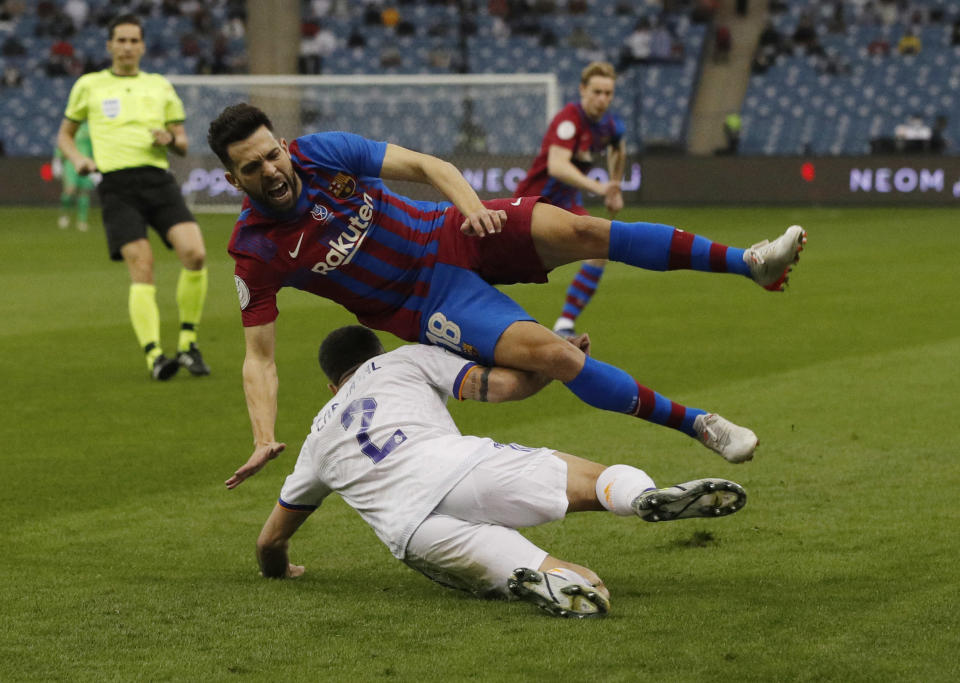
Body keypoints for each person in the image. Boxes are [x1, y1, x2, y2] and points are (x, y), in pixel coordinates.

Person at [207, 103, 807, 487]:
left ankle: (749, 263)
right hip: (426, 303)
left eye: (271, 154)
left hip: (452, 231)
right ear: (234, 180)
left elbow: (426, 166)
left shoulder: (323, 152)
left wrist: (470, 209)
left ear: (283, 145)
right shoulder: (253, 248)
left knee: (583, 231)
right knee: (558, 355)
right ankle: (701, 425)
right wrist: (263, 437)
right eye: (252, 168)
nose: (271, 171)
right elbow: (258, 355)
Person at [246, 325, 749, 618]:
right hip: (460, 468)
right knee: (591, 482)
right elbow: (501, 386)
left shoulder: (316, 439)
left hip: (413, 531)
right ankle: (641, 496)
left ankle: (545, 578)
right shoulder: (405, 359)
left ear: (333, 387)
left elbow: (269, 543)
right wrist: (553, 363)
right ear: (375, 355)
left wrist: (283, 570)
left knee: (587, 586)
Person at [56, 13, 211, 381]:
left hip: (158, 179)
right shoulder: (89, 85)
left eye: (133, 40)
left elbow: (184, 143)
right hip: (116, 185)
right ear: (109, 45)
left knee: (196, 253)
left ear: (142, 46)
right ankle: (155, 355)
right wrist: (78, 159)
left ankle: (188, 344)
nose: (127, 47)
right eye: (120, 40)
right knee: (142, 265)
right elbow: (65, 134)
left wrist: (170, 140)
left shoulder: (159, 86)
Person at [512, 62, 626, 339]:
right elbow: (558, 166)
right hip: (533, 203)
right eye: (597, 92)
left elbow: (618, 149)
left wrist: (615, 187)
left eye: (608, 93)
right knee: (501, 266)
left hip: (565, 203)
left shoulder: (609, 124)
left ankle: (564, 324)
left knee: (601, 247)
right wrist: (600, 188)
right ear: (583, 90)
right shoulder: (568, 120)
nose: (603, 99)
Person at [52, 120, 94, 231]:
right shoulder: (70, 125)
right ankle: (65, 214)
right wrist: (57, 160)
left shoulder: (90, 128)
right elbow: (62, 141)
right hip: (70, 162)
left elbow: (94, 147)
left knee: (84, 191)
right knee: (70, 190)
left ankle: (82, 221)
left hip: (86, 161)